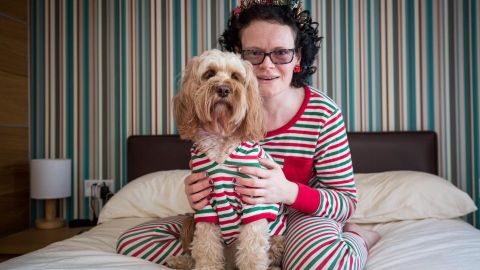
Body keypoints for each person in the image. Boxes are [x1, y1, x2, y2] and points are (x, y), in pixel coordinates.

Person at [116, 1, 380, 269]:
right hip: (230, 218)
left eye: (281, 53)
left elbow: (346, 202)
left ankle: (358, 236)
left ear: (298, 58)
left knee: (321, 263)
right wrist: (196, 191)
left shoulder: (322, 113)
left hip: (299, 216)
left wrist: (287, 191)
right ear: (237, 54)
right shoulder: (213, 115)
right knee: (132, 241)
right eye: (254, 53)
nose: (267, 65)